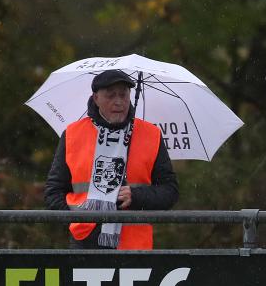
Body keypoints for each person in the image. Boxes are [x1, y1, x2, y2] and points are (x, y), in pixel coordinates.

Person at [45, 69, 179, 249]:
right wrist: (77, 219)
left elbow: (170, 191)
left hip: (135, 246)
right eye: (110, 96)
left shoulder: (151, 134)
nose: (119, 102)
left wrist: (136, 196)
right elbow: (53, 192)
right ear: (96, 98)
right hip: (84, 243)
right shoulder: (72, 134)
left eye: (123, 95)